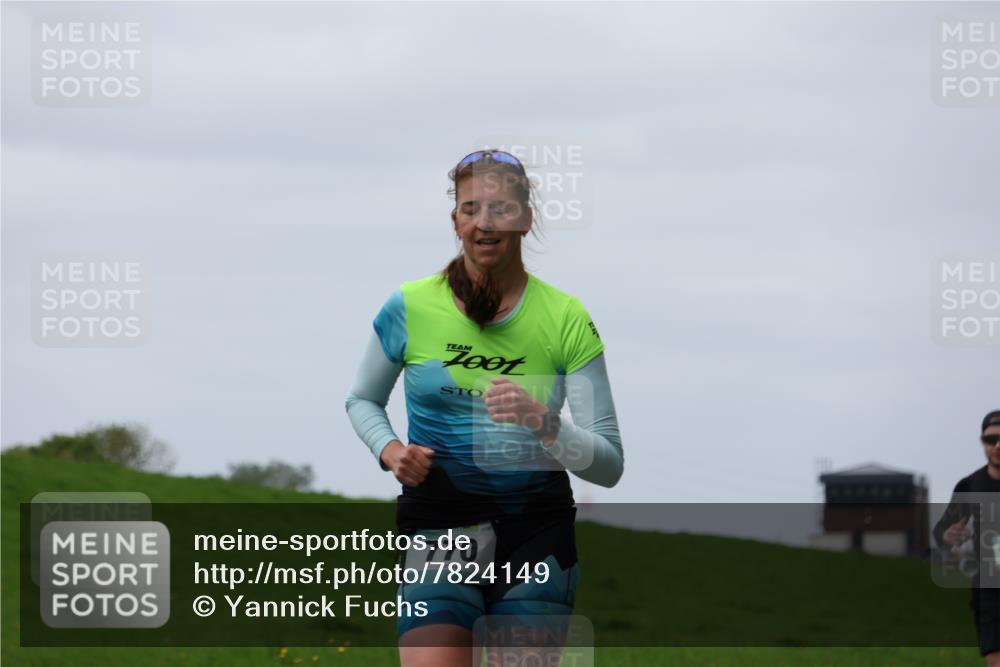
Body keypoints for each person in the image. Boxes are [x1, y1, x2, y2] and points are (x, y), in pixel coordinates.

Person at [345, 149, 623, 667]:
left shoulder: (565, 316)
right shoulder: (409, 306)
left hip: (535, 536)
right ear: (456, 220)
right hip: (439, 524)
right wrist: (390, 451)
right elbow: (362, 399)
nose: (485, 223)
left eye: (500, 208)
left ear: (526, 218)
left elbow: (608, 465)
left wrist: (543, 421)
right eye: (471, 208)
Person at [934, 410, 1000, 666]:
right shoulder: (970, 486)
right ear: (982, 442)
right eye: (991, 439)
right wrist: (949, 537)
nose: (998, 446)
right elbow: (943, 534)